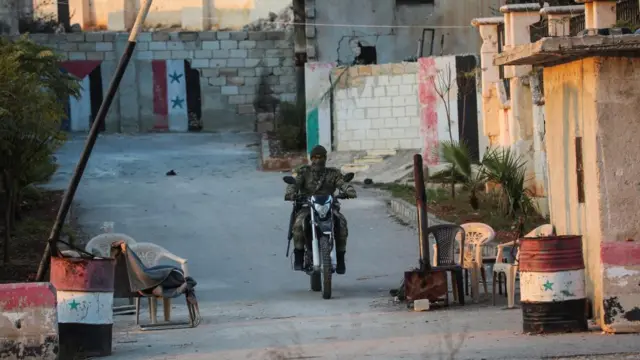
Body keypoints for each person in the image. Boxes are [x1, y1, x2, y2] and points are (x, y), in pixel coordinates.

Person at [284, 145, 357, 274]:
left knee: (342, 223)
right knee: (298, 225)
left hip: (329, 206)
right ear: (311, 158)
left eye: (321, 157)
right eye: (315, 157)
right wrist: (291, 193)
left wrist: (349, 190)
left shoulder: (332, 173)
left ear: (325, 158)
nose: (318, 160)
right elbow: (295, 184)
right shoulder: (304, 172)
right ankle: (299, 257)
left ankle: (340, 259)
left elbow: (342, 183)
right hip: (308, 206)